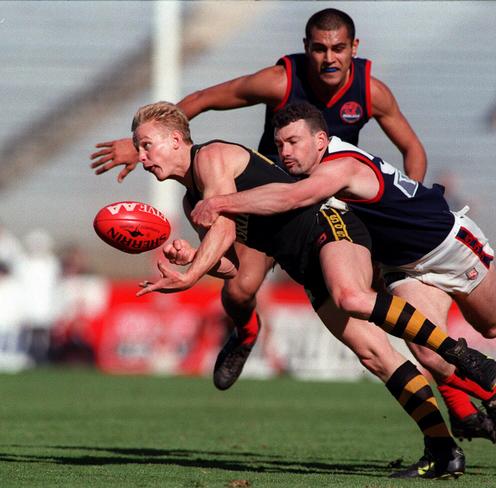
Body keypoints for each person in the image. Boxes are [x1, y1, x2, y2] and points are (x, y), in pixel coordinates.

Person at [128, 101, 496, 478]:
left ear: (177, 139)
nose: (142, 156)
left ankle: (464, 355)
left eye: (147, 145)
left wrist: (191, 275)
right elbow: (232, 267)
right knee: (374, 355)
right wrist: (194, 257)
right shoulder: (192, 200)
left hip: (328, 224)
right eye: (139, 147)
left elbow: (225, 226)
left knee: (351, 296)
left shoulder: (211, 157)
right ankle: (442, 450)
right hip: (303, 265)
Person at [89, 8, 428, 395]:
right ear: (306, 48)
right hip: (263, 200)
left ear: (354, 48)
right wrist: (144, 145)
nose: (329, 58)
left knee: (387, 315)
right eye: (319, 48)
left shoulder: (371, 91)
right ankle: (246, 333)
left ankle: (462, 392)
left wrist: (405, 204)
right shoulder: (281, 81)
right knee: (238, 289)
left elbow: (412, 149)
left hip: (331, 205)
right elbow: (204, 98)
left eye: (337, 48)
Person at [191, 101, 496, 447]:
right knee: (426, 350)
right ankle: (489, 406)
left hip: (446, 246)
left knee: (493, 325)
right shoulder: (308, 170)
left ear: (320, 140)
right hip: (402, 267)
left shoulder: (340, 165)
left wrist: (219, 202)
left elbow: (292, 199)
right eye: (279, 143)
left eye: (293, 141)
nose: (285, 151)